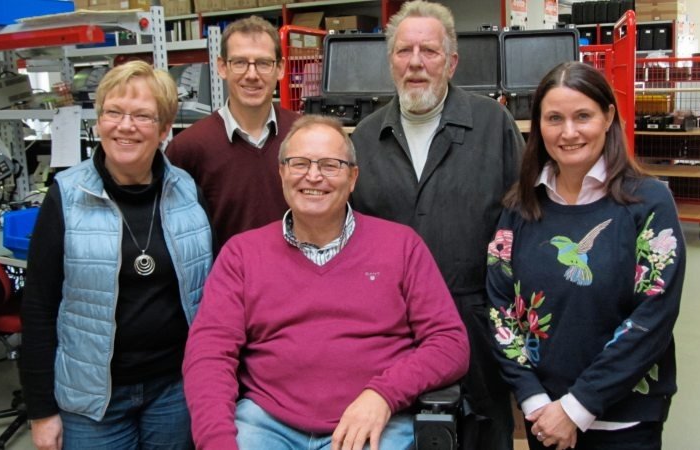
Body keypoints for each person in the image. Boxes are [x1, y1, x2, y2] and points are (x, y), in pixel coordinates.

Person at [183, 115, 469, 450]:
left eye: (330, 165)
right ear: (282, 173)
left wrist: (383, 394)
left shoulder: (401, 246)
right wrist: (217, 443)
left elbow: (450, 343)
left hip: (377, 422)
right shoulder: (241, 255)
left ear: (352, 178)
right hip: (267, 423)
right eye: (300, 163)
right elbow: (209, 354)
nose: (313, 176)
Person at [349, 2, 524, 448]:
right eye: (404, 51)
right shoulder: (364, 140)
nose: (415, 63)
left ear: (451, 61)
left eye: (428, 51)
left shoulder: (493, 126)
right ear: (390, 62)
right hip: (389, 331)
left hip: (478, 327)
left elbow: (525, 223)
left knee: (485, 433)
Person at [486, 61, 686, 450]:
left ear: (608, 116)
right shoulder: (519, 207)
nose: (569, 132)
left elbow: (654, 316)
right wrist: (533, 398)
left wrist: (577, 408)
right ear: (538, 125)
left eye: (583, 116)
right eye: (554, 118)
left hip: (625, 419)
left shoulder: (648, 203)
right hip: (543, 415)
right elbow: (499, 306)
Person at [20, 60, 213, 450]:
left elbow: (208, 292)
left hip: (174, 390)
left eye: (142, 116)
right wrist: (41, 410)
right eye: (114, 112)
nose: (126, 126)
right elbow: (39, 307)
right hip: (92, 401)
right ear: (99, 120)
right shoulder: (66, 195)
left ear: (163, 129)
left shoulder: (187, 191)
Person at [165, 16, 299, 252]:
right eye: (239, 62)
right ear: (222, 67)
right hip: (224, 284)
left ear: (280, 68)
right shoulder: (188, 147)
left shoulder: (303, 135)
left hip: (297, 282)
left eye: (263, 63)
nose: (251, 74)